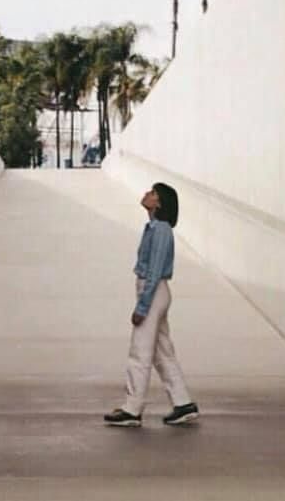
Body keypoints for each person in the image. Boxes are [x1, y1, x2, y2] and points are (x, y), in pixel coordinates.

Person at [103, 182, 199, 427]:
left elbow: (155, 271)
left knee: (140, 351)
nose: (147, 193)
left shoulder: (161, 230)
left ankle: (132, 409)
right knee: (162, 352)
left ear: (160, 203)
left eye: (153, 193)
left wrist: (142, 307)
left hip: (152, 292)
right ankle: (183, 403)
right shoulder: (155, 228)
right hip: (155, 292)